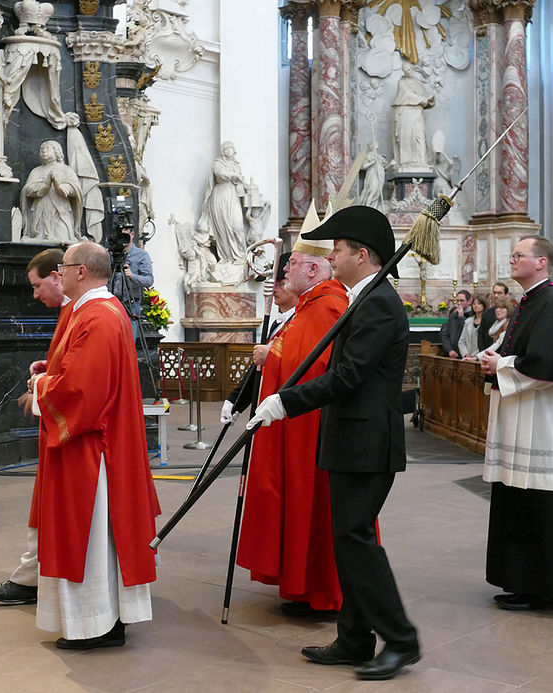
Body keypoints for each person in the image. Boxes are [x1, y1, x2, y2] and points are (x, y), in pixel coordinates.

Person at [248, 206, 420, 681]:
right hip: (350, 438)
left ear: (361, 255)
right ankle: (355, 638)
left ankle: (401, 640)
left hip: (367, 442)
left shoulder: (380, 303)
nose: (334, 256)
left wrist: (287, 402)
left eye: (339, 249)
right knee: (349, 539)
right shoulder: (362, 298)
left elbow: (347, 376)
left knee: (356, 539)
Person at [26, 242, 160, 649]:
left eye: (64, 267)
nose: (59, 275)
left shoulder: (99, 316)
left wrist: (40, 387)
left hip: (92, 450)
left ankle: (96, 623)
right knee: (101, 541)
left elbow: (83, 389)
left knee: (93, 540)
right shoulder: (97, 310)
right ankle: (106, 619)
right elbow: (84, 368)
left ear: (81, 271)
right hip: (101, 443)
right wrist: (52, 370)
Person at [236, 235, 349, 616]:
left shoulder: (329, 306)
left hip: (310, 428)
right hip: (289, 422)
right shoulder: (309, 305)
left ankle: (320, 590)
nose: (285, 269)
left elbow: (320, 369)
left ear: (314, 268)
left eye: (293, 263)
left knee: (312, 503)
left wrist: (273, 355)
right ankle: (300, 584)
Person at [479, 236, 553, 612]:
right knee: (520, 497)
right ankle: (522, 581)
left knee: (540, 500)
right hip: (526, 415)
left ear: (541, 262)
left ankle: (543, 588)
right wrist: (498, 358)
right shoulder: (532, 300)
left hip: (544, 420)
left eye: (519, 255)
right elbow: (527, 351)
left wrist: (503, 366)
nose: (512, 260)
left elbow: (546, 362)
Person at [0, 249, 67, 606]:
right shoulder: (74, 311)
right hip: (59, 435)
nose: (34, 295)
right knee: (43, 508)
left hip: (76, 439)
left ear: (59, 276)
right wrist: (49, 367)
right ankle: (30, 577)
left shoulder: (93, 312)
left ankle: (34, 579)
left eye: (36, 286)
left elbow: (83, 381)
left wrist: (42, 386)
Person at [221, 253, 297, 424]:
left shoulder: (299, 320)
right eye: (272, 284)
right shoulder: (277, 322)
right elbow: (258, 368)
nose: (274, 289)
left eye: (280, 284)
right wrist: (234, 402)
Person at [21, 140, 83, 243]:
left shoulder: (66, 170)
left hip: (61, 210)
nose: (44, 151)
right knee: (39, 237)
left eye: (48, 148)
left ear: (57, 151)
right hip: (40, 210)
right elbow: (27, 190)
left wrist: (59, 186)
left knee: (63, 237)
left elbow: (75, 190)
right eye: (42, 149)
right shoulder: (36, 171)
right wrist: (45, 186)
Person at [198, 140, 247, 267]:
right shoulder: (218, 163)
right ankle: (227, 257)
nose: (229, 151)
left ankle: (241, 255)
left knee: (237, 227)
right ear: (223, 151)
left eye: (231, 148)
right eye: (226, 149)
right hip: (220, 196)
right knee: (224, 228)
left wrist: (242, 183)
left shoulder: (236, 164)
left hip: (233, 196)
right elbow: (220, 173)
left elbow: (239, 180)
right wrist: (234, 175)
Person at [391, 61, 435, 169]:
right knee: (406, 138)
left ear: (412, 69)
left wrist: (430, 100)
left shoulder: (418, 83)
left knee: (420, 136)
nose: (407, 72)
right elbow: (407, 95)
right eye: (405, 71)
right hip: (405, 113)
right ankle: (406, 162)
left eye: (409, 70)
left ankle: (422, 161)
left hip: (417, 112)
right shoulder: (401, 82)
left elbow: (425, 97)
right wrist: (422, 99)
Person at [439, 290, 471, 358]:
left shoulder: (472, 315)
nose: (459, 303)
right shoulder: (453, 316)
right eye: (457, 300)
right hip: (453, 353)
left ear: (469, 301)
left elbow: (469, 332)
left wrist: (462, 318)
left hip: (467, 353)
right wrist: (450, 350)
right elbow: (445, 335)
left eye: (462, 301)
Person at [458, 294, 488, 359]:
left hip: (481, 357)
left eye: (479, 303)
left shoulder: (487, 321)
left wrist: (475, 356)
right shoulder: (468, 321)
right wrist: (466, 354)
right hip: (467, 357)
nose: (476, 305)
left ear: (484, 305)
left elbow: (486, 343)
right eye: (474, 304)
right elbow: (461, 341)